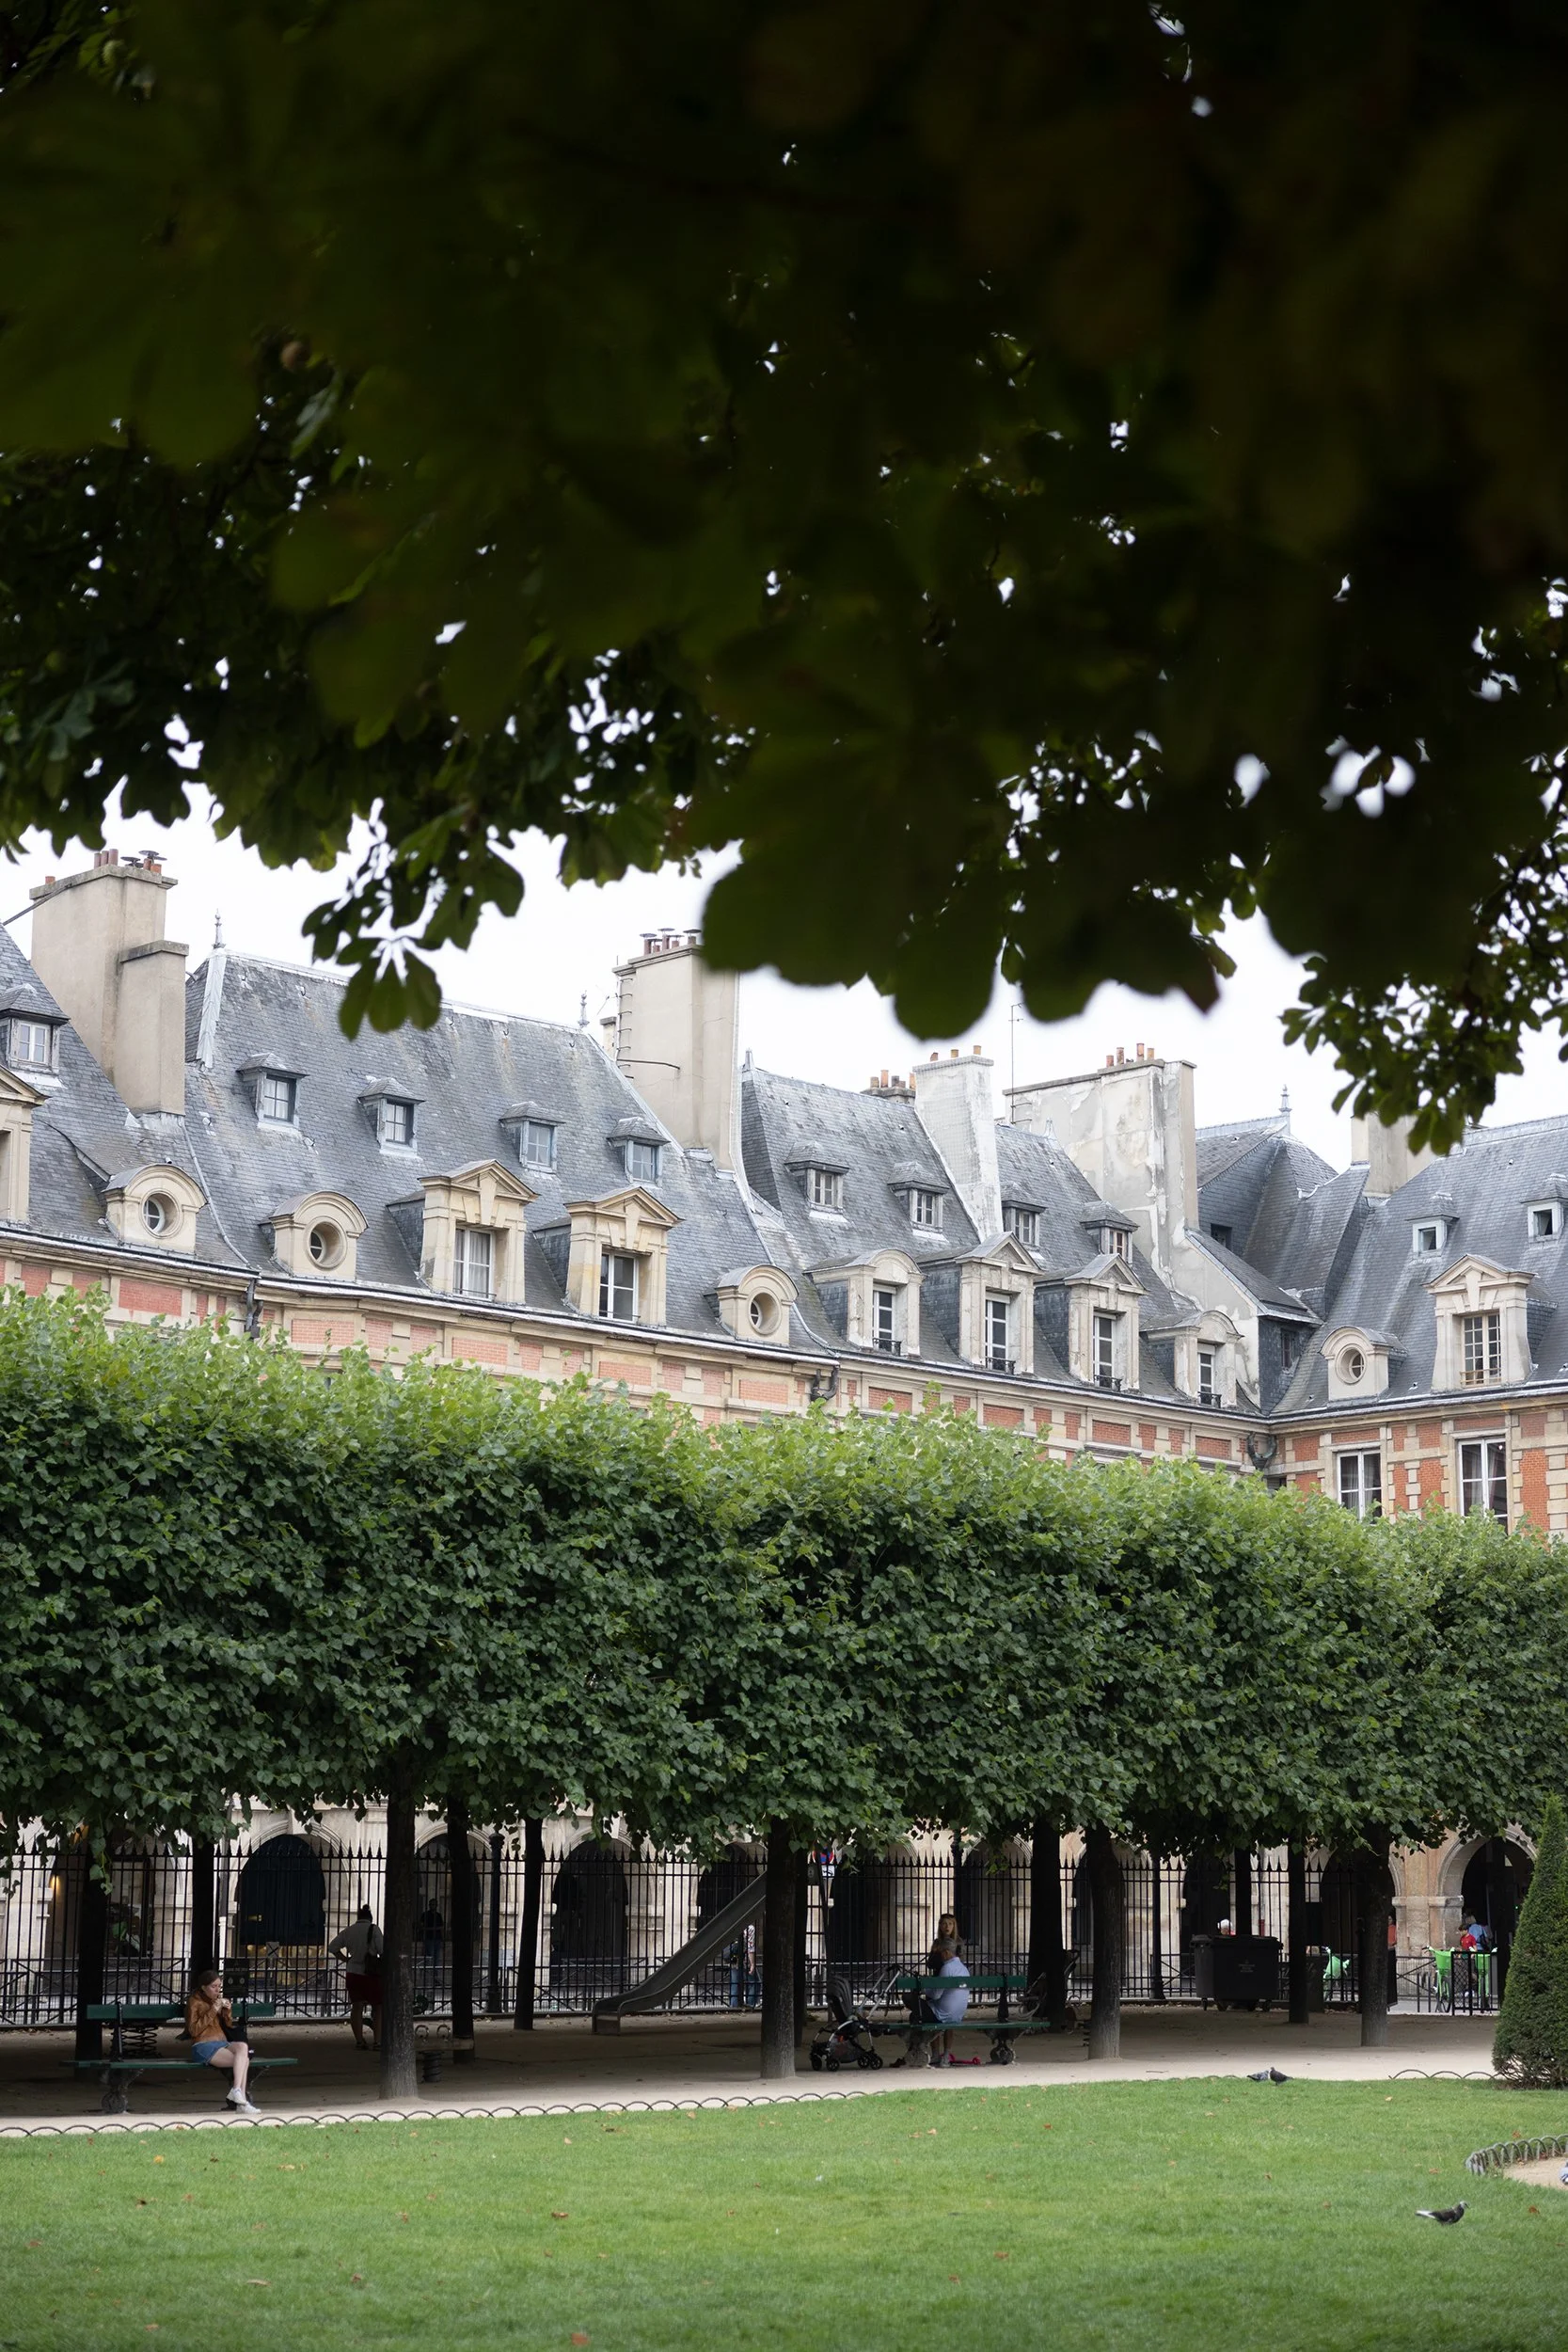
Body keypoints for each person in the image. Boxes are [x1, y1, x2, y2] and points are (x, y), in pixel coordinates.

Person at [185, 1967, 261, 2116]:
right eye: (213, 1987)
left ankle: (237, 2091)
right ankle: (241, 2100)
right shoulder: (194, 2002)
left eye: (219, 1986)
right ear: (203, 1987)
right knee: (244, 2060)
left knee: (242, 2047)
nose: (217, 1990)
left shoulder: (216, 2001)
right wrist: (214, 2009)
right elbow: (194, 2030)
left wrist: (227, 2011)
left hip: (221, 2042)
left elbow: (228, 2026)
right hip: (203, 2045)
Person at [329, 1903, 385, 2050]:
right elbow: (382, 1950)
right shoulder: (374, 1930)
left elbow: (332, 1947)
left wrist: (344, 1959)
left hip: (353, 1972)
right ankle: (378, 2041)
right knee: (379, 2007)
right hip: (371, 1974)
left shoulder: (349, 1931)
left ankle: (359, 2041)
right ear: (370, 1918)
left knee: (357, 2007)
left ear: (358, 1918)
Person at [926, 1914, 971, 2069]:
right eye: (944, 1924)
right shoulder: (937, 1943)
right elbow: (930, 1963)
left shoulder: (958, 1943)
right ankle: (935, 2053)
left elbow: (960, 1962)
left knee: (949, 2021)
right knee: (934, 2020)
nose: (947, 1927)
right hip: (939, 1980)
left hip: (951, 1982)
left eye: (950, 1924)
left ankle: (946, 2053)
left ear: (954, 1926)